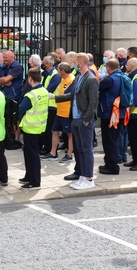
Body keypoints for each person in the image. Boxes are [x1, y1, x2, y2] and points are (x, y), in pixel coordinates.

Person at [53, 53, 99, 190]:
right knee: (79, 149)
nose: (72, 63)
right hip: (75, 119)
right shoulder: (79, 77)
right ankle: (82, 175)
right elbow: (71, 95)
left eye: (75, 61)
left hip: (83, 120)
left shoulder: (91, 79)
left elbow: (93, 102)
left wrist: (87, 118)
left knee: (86, 149)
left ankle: (88, 178)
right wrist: (53, 97)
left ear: (81, 63)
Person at [18, 68, 49, 189]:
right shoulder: (44, 91)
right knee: (29, 152)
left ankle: (35, 180)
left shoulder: (31, 94)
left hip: (31, 127)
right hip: (40, 126)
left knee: (32, 154)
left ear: (30, 78)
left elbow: (20, 109)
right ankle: (29, 175)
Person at [43, 63, 75, 163]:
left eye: (58, 69)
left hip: (67, 111)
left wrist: (54, 97)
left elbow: (68, 95)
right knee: (54, 131)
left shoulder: (71, 80)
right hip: (59, 110)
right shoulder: (62, 80)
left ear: (62, 71)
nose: (57, 71)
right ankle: (53, 153)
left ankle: (69, 154)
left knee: (69, 134)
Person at [97, 59, 123, 175]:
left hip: (109, 114)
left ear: (108, 68)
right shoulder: (122, 76)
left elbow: (96, 89)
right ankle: (109, 163)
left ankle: (112, 167)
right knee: (113, 139)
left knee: (109, 141)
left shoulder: (109, 79)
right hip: (118, 113)